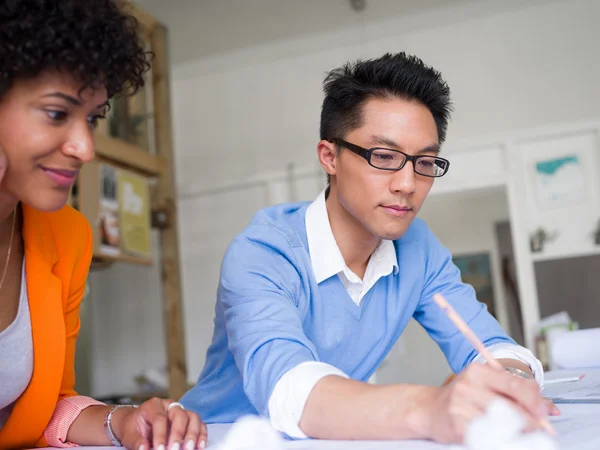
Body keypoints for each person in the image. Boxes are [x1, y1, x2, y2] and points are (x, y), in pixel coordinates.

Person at [180, 52, 559, 444]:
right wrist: (430, 408)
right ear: (330, 157)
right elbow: (288, 390)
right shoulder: (264, 252)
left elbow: (490, 344)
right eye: (384, 157)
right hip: (220, 439)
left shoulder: (418, 249)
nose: (408, 184)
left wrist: (510, 381)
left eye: (425, 162)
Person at [0, 1, 206, 449]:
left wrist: (122, 421)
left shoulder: (66, 236)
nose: (85, 148)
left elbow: (46, 404)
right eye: (57, 113)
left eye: (92, 119)